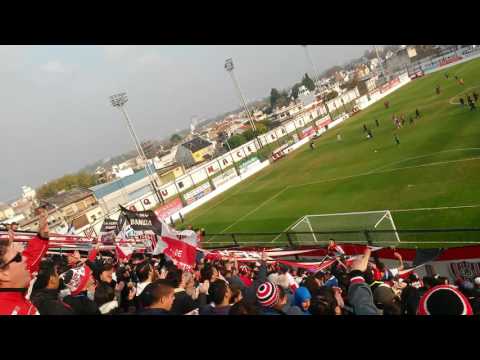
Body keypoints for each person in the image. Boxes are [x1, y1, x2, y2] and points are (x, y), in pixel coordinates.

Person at [0, 206, 50, 315]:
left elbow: (32, 255)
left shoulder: (14, 288)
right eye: (18, 258)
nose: (24, 260)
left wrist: (42, 230)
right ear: (3, 274)